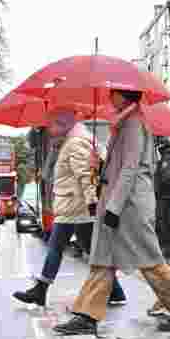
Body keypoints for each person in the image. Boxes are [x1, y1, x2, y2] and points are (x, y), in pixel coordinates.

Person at [53, 90, 170, 335]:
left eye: (114, 92)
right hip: (116, 202)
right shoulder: (123, 123)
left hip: (128, 206)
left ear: (126, 95)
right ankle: (87, 316)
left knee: (150, 261)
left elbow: (130, 169)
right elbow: (120, 166)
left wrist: (114, 207)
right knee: (102, 260)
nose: (110, 96)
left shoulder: (133, 123)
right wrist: (99, 166)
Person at [13, 110, 110, 307]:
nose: (49, 130)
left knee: (56, 246)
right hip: (74, 206)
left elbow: (84, 175)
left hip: (76, 206)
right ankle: (115, 291)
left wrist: (92, 203)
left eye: (53, 125)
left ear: (64, 124)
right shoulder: (68, 142)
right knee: (90, 251)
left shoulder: (75, 143)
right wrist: (55, 150)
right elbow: (49, 175)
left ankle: (40, 290)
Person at [147, 137, 170, 318]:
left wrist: (157, 187)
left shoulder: (167, 158)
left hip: (163, 198)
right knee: (161, 226)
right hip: (163, 198)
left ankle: (165, 250)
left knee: (162, 226)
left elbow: (165, 178)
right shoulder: (166, 158)